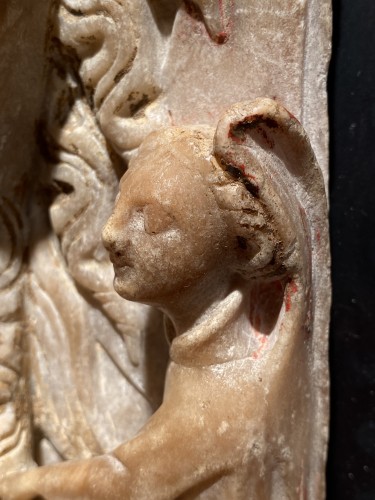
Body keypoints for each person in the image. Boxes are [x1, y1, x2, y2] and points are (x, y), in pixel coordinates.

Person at [0, 98, 329, 499]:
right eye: (120, 206)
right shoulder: (202, 357)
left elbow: (122, 481)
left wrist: (25, 483)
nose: (112, 234)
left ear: (242, 246)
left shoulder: (228, 402)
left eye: (153, 220)